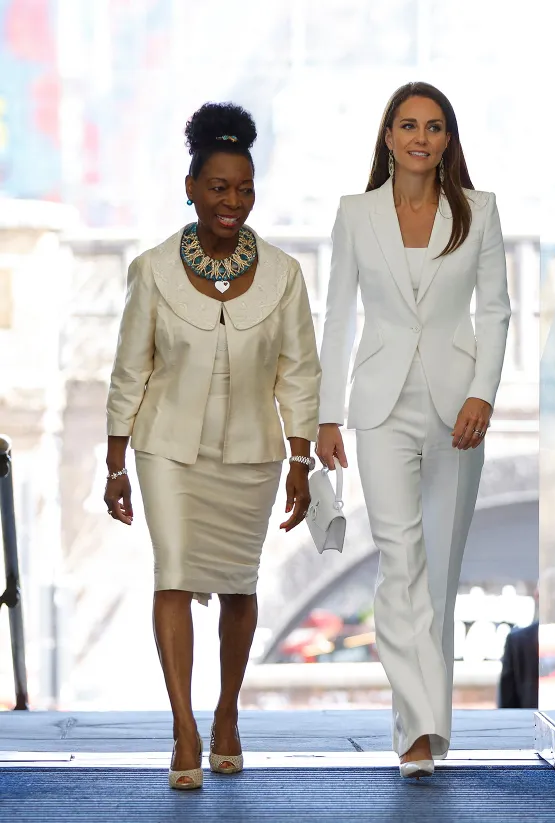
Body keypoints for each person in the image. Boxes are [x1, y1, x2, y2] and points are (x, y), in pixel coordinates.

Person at [104, 103, 320, 790]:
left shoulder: (285, 274)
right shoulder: (152, 270)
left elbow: (300, 370)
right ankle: (185, 725)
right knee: (173, 571)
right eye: (219, 187)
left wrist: (300, 458)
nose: (232, 200)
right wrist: (114, 463)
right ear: (192, 187)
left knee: (239, 581)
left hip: (253, 451)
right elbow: (129, 368)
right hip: (166, 447)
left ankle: (227, 711)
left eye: (244, 189)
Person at [316, 81, 511, 780]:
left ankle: (429, 724)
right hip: (379, 403)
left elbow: (497, 314)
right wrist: (326, 412)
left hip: (458, 406)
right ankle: (417, 730)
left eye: (433, 127)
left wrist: (483, 395)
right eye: (408, 126)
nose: (420, 138)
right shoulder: (356, 213)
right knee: (399, 562)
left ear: (447, 140)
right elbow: (337, 314)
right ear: (389, 137)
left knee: (438, 574)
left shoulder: (479, 212)